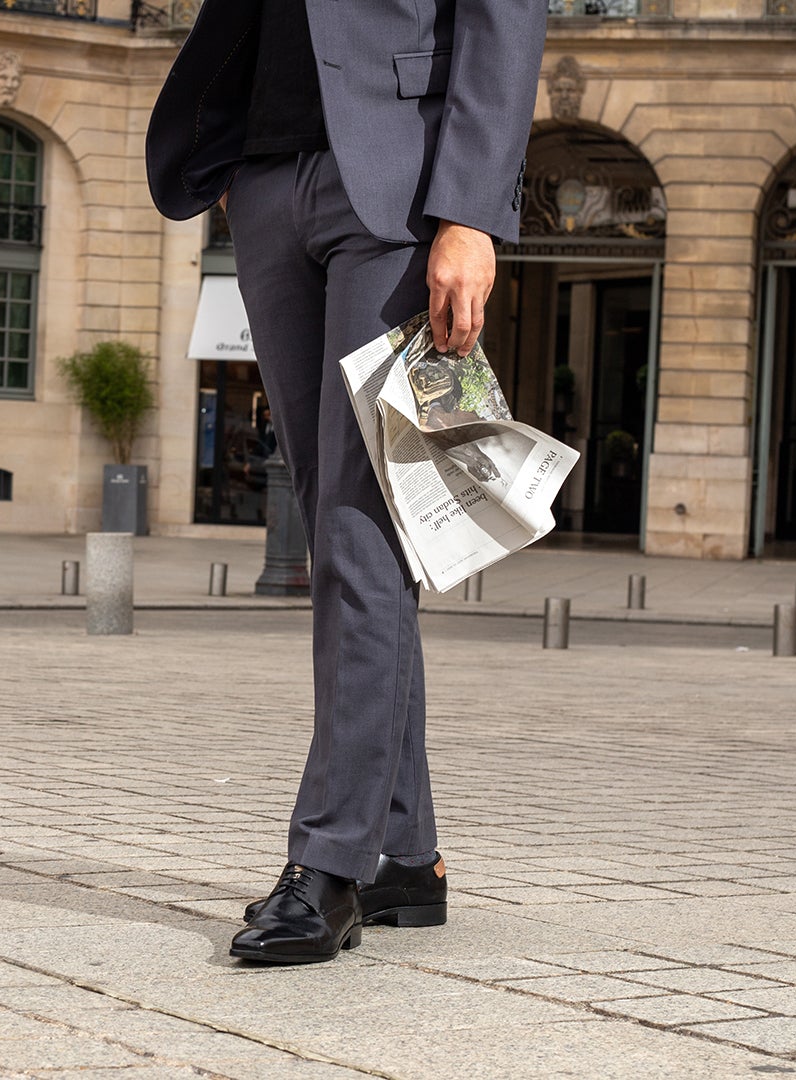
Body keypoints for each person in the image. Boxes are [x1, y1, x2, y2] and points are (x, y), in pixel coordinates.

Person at [145, 0, 545, 964]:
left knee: (360, 530)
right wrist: (242, 169)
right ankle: (405, 854)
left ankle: (329, 865)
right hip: (272, 180)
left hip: (398, 184)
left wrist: (470, 214)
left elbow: (505, 16)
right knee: (338, 528)